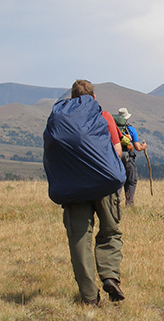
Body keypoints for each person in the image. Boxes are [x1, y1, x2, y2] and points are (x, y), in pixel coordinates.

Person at [44, 80, 126, 306]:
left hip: (73, 189)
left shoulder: (61, 121)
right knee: (110, 231)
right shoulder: (104, 117)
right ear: (94, 97)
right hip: (104, 186)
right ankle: (110, 277)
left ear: (72, 97)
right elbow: (117, 152)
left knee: (79, 240)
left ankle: (89, 297)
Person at [114, 107, 147, 206]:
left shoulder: (113, 128)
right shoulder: (130, 129)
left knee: (117, 180)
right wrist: (143, 147)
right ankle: (129, 203)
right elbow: (137, 147)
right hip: (128, 158)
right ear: (127, 118)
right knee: (131, 180)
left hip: (115, 158)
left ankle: (115, 203)